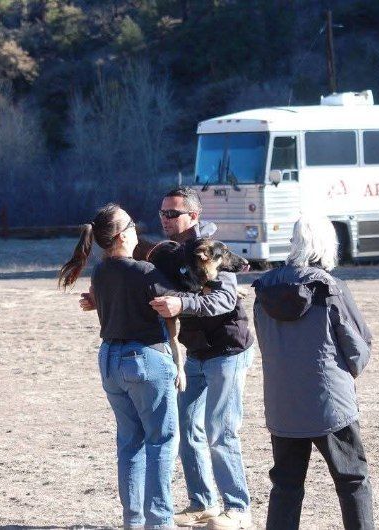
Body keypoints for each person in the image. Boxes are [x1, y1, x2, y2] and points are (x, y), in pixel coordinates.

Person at [59, 203, 199, 529]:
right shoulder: (144, 272)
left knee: (129, 443)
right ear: (122, 236)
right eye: (132, 224)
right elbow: (181, 300)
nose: (137, 229)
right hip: (145, 361)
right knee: (161, 442)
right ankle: (159, 523)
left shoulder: (101, 271)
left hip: (110, 359)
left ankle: (133, 521)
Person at [252, 215, 375, 530]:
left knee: (286, 485)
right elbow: (357, 346)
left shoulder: (263, 289)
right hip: (329, 403)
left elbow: (265, 344)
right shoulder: (330, 288)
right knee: (352, 480)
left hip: (283, 404)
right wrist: (347, 374)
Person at [152, 187, 256, 530]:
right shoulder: (169, 253)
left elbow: (224, 301)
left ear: (193, 216)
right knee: (186, 426)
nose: (165, 219)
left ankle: (238, 509)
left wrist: (182, 304)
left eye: (173, 214)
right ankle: (203, 503)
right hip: (195, 352)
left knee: (220, 430)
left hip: (227, 349)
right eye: (162, 213)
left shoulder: (212, 249)